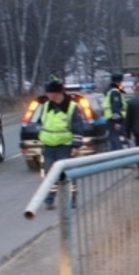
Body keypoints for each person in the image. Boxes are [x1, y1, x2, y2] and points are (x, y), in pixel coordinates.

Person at [38, 79, 87, 210]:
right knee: (49, 175)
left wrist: (76, 146)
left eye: (49, 93)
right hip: (48, 146)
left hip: (65, 146)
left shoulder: (72, 107)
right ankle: (49, 200)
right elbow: (40, 123)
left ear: (57, 93)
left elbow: (78, 127)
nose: (47, 95)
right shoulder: (46, 106)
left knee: (67, 175)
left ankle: (72, 199)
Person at [102, 73, 128, 152]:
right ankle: (121, 156)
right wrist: (117, 121)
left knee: (113, 138)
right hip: (115, 119)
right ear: (119, 81)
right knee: (119, 139)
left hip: (110, 118)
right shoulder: (115, 92)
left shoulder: (109, 90)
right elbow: (115, 107)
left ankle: (117, 156)